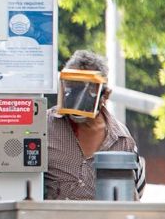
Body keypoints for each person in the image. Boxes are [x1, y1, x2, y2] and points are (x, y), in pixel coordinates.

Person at [44, 49, 138, 201]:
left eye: (87, 91)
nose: (78, 99)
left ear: (105, 95)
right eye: (72, 88)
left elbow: (133, 193)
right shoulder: (43, 127)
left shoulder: (122, 140)